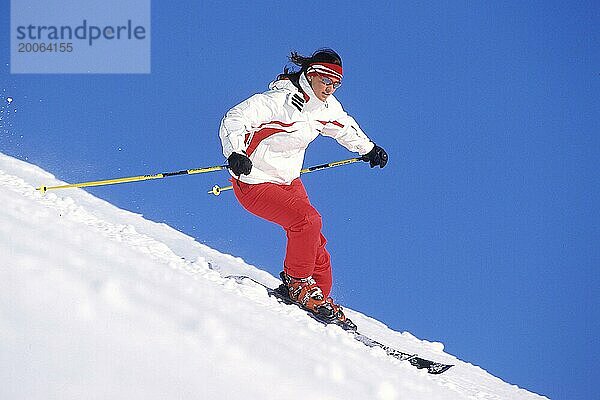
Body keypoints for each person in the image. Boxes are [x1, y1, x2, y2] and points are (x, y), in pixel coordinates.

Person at [219, 48, 387, 325]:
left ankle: (318, 298)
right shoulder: (277, 101)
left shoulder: (326, 107)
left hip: (288, 181)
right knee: (308, 221)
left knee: (316, 243)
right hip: (254, 182)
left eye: (336, 84)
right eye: (327, 81)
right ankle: (297, 285)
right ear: (311, 75)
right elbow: (235, 119)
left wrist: (368, 148)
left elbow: (344, 126)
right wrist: (235, 153)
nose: (330, 88)